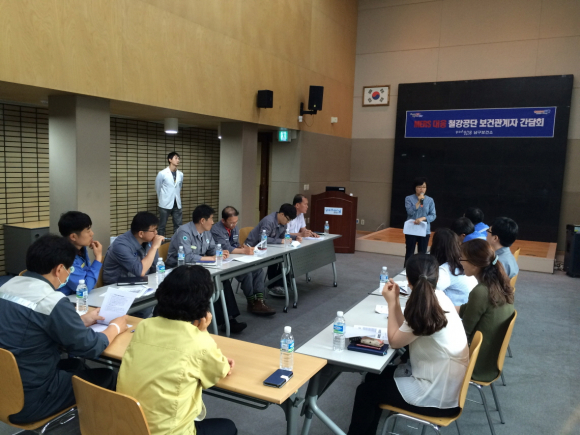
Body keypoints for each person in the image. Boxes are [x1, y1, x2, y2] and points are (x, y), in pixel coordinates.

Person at [0, 235, 128, 424]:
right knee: (107, 376)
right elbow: (90, 346)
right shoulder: (51, 301)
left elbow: (34, 325)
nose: (68, 274)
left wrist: (81, 321)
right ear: (59, 269)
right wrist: (116, 327)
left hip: (7, 385)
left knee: (75, 366)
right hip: (32, 399)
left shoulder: (6, 286)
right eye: (69, 269)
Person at [347, 254, 468, 435]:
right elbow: (405, 328)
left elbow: (395, 342)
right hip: (445, 384)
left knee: (365, 393)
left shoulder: (425, 309)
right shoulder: (438, 297)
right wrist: (395, 301)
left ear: (409, 282)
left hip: (436, 396)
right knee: (373, 377)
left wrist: (391, 303)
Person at [117, 265, 237, 435]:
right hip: (167, 432)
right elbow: (221, 371)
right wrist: (202, 331)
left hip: (128, 425)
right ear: (203, 304)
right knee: (229, 427)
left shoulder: (144, 326)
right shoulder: (199, 341)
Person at [166, 204, 247, 333]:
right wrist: (211, 258)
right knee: (209, 283)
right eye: (211, 218)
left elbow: (211, 249)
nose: (213, 222)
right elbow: (187, 257)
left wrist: (220, 253)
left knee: (222, 280)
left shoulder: (206, 232)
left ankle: (230, 320)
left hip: (198, 267)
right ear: (202, 220)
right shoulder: (184, 232)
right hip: (179, 270)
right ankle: (222, 321)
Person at [458, 239, 515, 382]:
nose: (460, 262)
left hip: (476, 364)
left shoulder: (481, 292)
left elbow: (464, 333)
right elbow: (467, 309)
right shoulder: (498, 284)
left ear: (475, 265)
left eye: (462, 259)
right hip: (488, 359)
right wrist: (443, 306)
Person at [211, 206, 275, 315]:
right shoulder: (216, 230)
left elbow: (235, 244)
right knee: (247, 273)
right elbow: (226, 247)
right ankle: (251, 302)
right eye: (231, 223)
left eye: (236, 222)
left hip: (235, 257)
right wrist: (244, 251)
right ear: (223, 220)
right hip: (223, 260)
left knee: (258, 269)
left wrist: (241, 247)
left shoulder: (234, 227)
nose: (234, 225)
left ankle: (259, 300)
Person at [245, 204, 301, 298]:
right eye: (288, 219)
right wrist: (280, 241)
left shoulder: (283, 222)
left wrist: (295, 237)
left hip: (268, 249)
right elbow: (263, 239)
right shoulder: (269, 221)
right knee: (277, 259)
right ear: (282, 214)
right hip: (254, 248)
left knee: (283, 258)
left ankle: (277, 284)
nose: (288, 222)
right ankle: (273, 285)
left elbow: (284, 235)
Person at [102, 211, 165, 285]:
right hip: (116, 286)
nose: (156, 233)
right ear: (141, 233)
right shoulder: (121, 245)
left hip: (141, 282)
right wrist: (154, 247)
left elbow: (155, 267)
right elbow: (140, 271)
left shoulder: (149, 240)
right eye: (153, 230)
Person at [57, 211, 103, 296]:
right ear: (73, 237)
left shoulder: (80, 249)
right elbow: (84, 288)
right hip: (65, 300)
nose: (92, 233)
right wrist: (98, 258)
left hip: (78, 298)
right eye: (88, 230)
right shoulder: (64, 256)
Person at [430, 228, 477, 305]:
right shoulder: (462, 261)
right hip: (467, 306)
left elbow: (429, 291)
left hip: (456, 309)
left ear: (435, 246)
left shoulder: (446, 270)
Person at [404, 177, 436, 266]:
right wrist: (418, 202)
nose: (422, 189)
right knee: (409, 252)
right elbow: (410, 212)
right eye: (419, 187)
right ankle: (407, 270)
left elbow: (433, 215)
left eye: (424, 187)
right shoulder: (409, 198)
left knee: (422, 253)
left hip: (424, 230)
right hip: (411, 229)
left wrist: (422, 218)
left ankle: (421, 271)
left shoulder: (430, 200)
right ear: (415, 188)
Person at [155, 151, 183, 236]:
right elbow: (158, 188)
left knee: (178, 225)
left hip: (177, 204)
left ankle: (177, 242)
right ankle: (160, 243)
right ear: (170, 160)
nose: (178, 160)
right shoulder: (162, 173)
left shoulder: (180, 174)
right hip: (165, 204)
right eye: (176, 158)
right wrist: (161, 199)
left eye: (178, 158)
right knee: (162, 226)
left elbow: (179, 187)